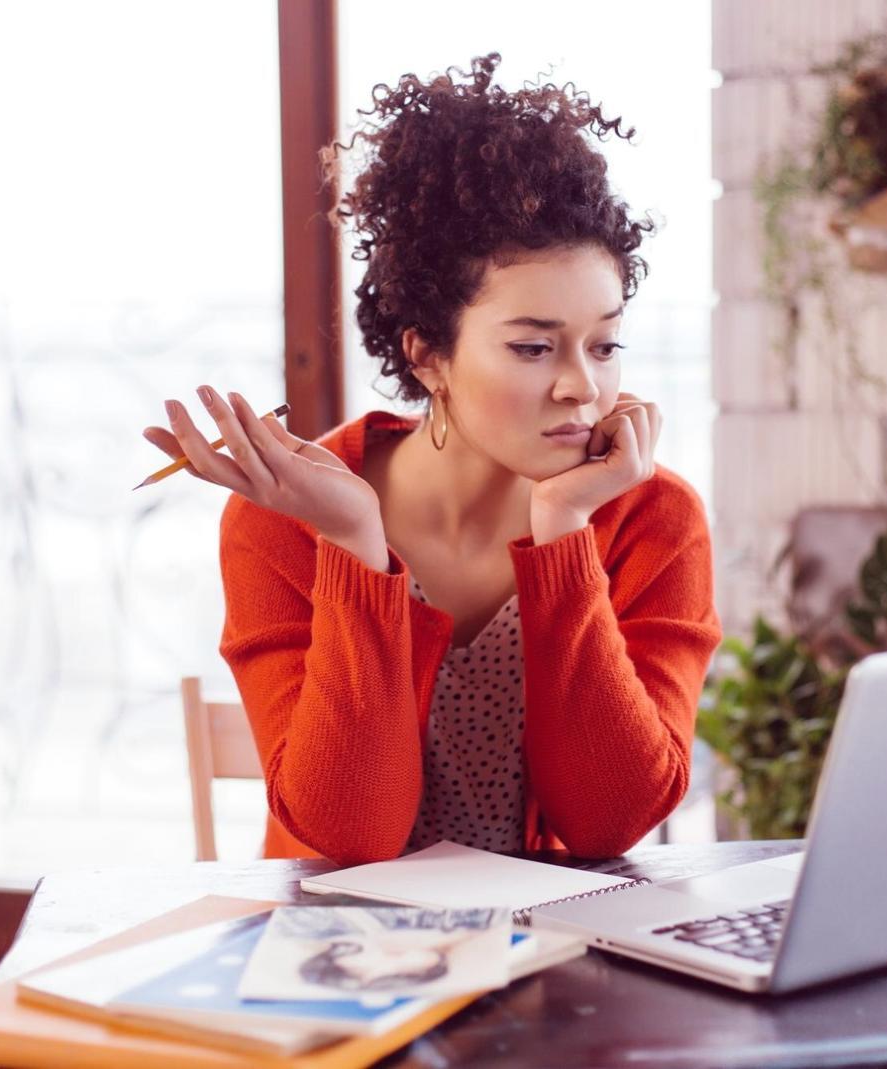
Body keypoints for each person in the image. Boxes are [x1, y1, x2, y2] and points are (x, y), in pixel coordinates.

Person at [142, 53, 721, 865]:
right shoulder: (284, 520)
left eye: (604, 342)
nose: (581, 387)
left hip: (556, 965)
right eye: (532, 346)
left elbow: (608, 821)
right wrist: (352, 541)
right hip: (336, 971)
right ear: (427, 356)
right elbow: (350, 835)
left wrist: (563, 532)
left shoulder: (650, 516)